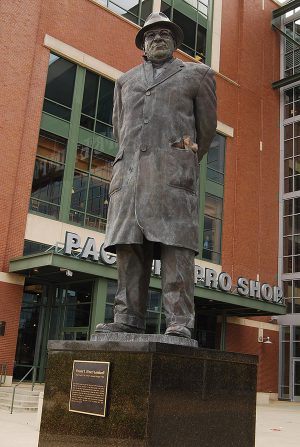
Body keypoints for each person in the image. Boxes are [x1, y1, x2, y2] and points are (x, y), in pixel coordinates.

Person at [96, 12, 217, 339]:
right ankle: (127, 317)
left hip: (173, 181)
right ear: (143, 45)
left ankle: (179, 323)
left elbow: (205, 132)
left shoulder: (198, 75)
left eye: (164, 34)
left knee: (177, 252)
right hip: (130, 181)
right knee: (129, 252)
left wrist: (180, 159)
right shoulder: (125, 81)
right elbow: (120, 129)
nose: (157, 39)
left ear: (175, 41)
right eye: (151, 36)